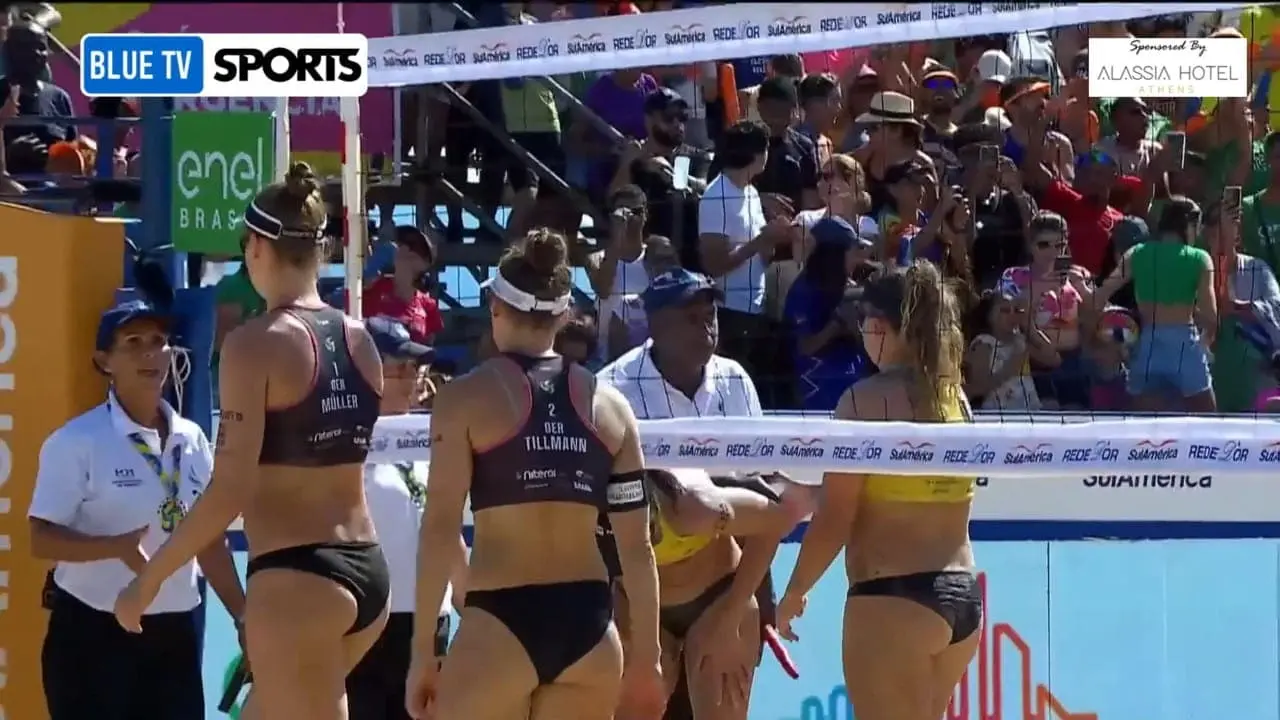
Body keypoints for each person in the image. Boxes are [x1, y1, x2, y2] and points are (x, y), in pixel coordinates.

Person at [113, 163, 387, 720]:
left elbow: (230, 489)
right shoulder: (360, 340)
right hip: (367, 569)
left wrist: (148, 580)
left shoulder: (255, 343)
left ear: (256, 247)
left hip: (298, 579)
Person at [405, 229, 665, 720]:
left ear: (495, 308)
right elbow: (637, 548)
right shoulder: (611, 408)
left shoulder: (463, 400)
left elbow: (439, 528)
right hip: (588, 627)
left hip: (499, 623)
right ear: (564, 317)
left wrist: (423, 652)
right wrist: (648, 658)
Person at [777, 261, 980, 720]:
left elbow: (837, 517)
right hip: (962, 597)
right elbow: (905, 491)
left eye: (863, 320)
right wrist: (806, 493)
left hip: (894, 596)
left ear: (881, 326)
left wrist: (795, 591)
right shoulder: (956, 399)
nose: (861, 332)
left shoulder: (865, 400)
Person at [29, 300, 244, 720]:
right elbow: (40, 539)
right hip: (92, 635)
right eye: (133, 342)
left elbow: (209, 542)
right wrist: (114, 547)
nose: (150, 353)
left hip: (173, 636)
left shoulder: (193, 439)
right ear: (104, 361)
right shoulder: (77, 441)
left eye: (159, 341)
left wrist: (242, 615)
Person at [347, 317, 463, 720]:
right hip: (368, 627)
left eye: (417, 368)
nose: (416, 379)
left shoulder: (426, 444)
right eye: (404, 368)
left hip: (430, 625)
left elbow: (446, 534)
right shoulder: (344, 445)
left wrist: (475, 610)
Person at [1093, 195, 1218, 411]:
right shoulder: (1200, 258)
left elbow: (1099, 297)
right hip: (1184, 344)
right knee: (1207, 418)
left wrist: (1115, 330)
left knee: (1145, 423)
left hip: (1148, 342)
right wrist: (1205, 344)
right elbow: (1211, 316)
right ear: (1189, 225)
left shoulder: (1137, 253)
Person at [783, 217, 877, 411]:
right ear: (835, 254)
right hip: (818, 389)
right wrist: (837, 322)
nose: (857, 259)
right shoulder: (803, 291)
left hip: (856, 383)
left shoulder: (849, 286)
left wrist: (856, 326)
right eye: (853, 252)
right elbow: (804, 347)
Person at [362, 225, 444, 344]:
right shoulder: (374, 288)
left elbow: (428, 348)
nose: (404, 249)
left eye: (414, 246)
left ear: (425, 263)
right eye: (401, 244)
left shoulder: (428, 306)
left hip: (411, 355)